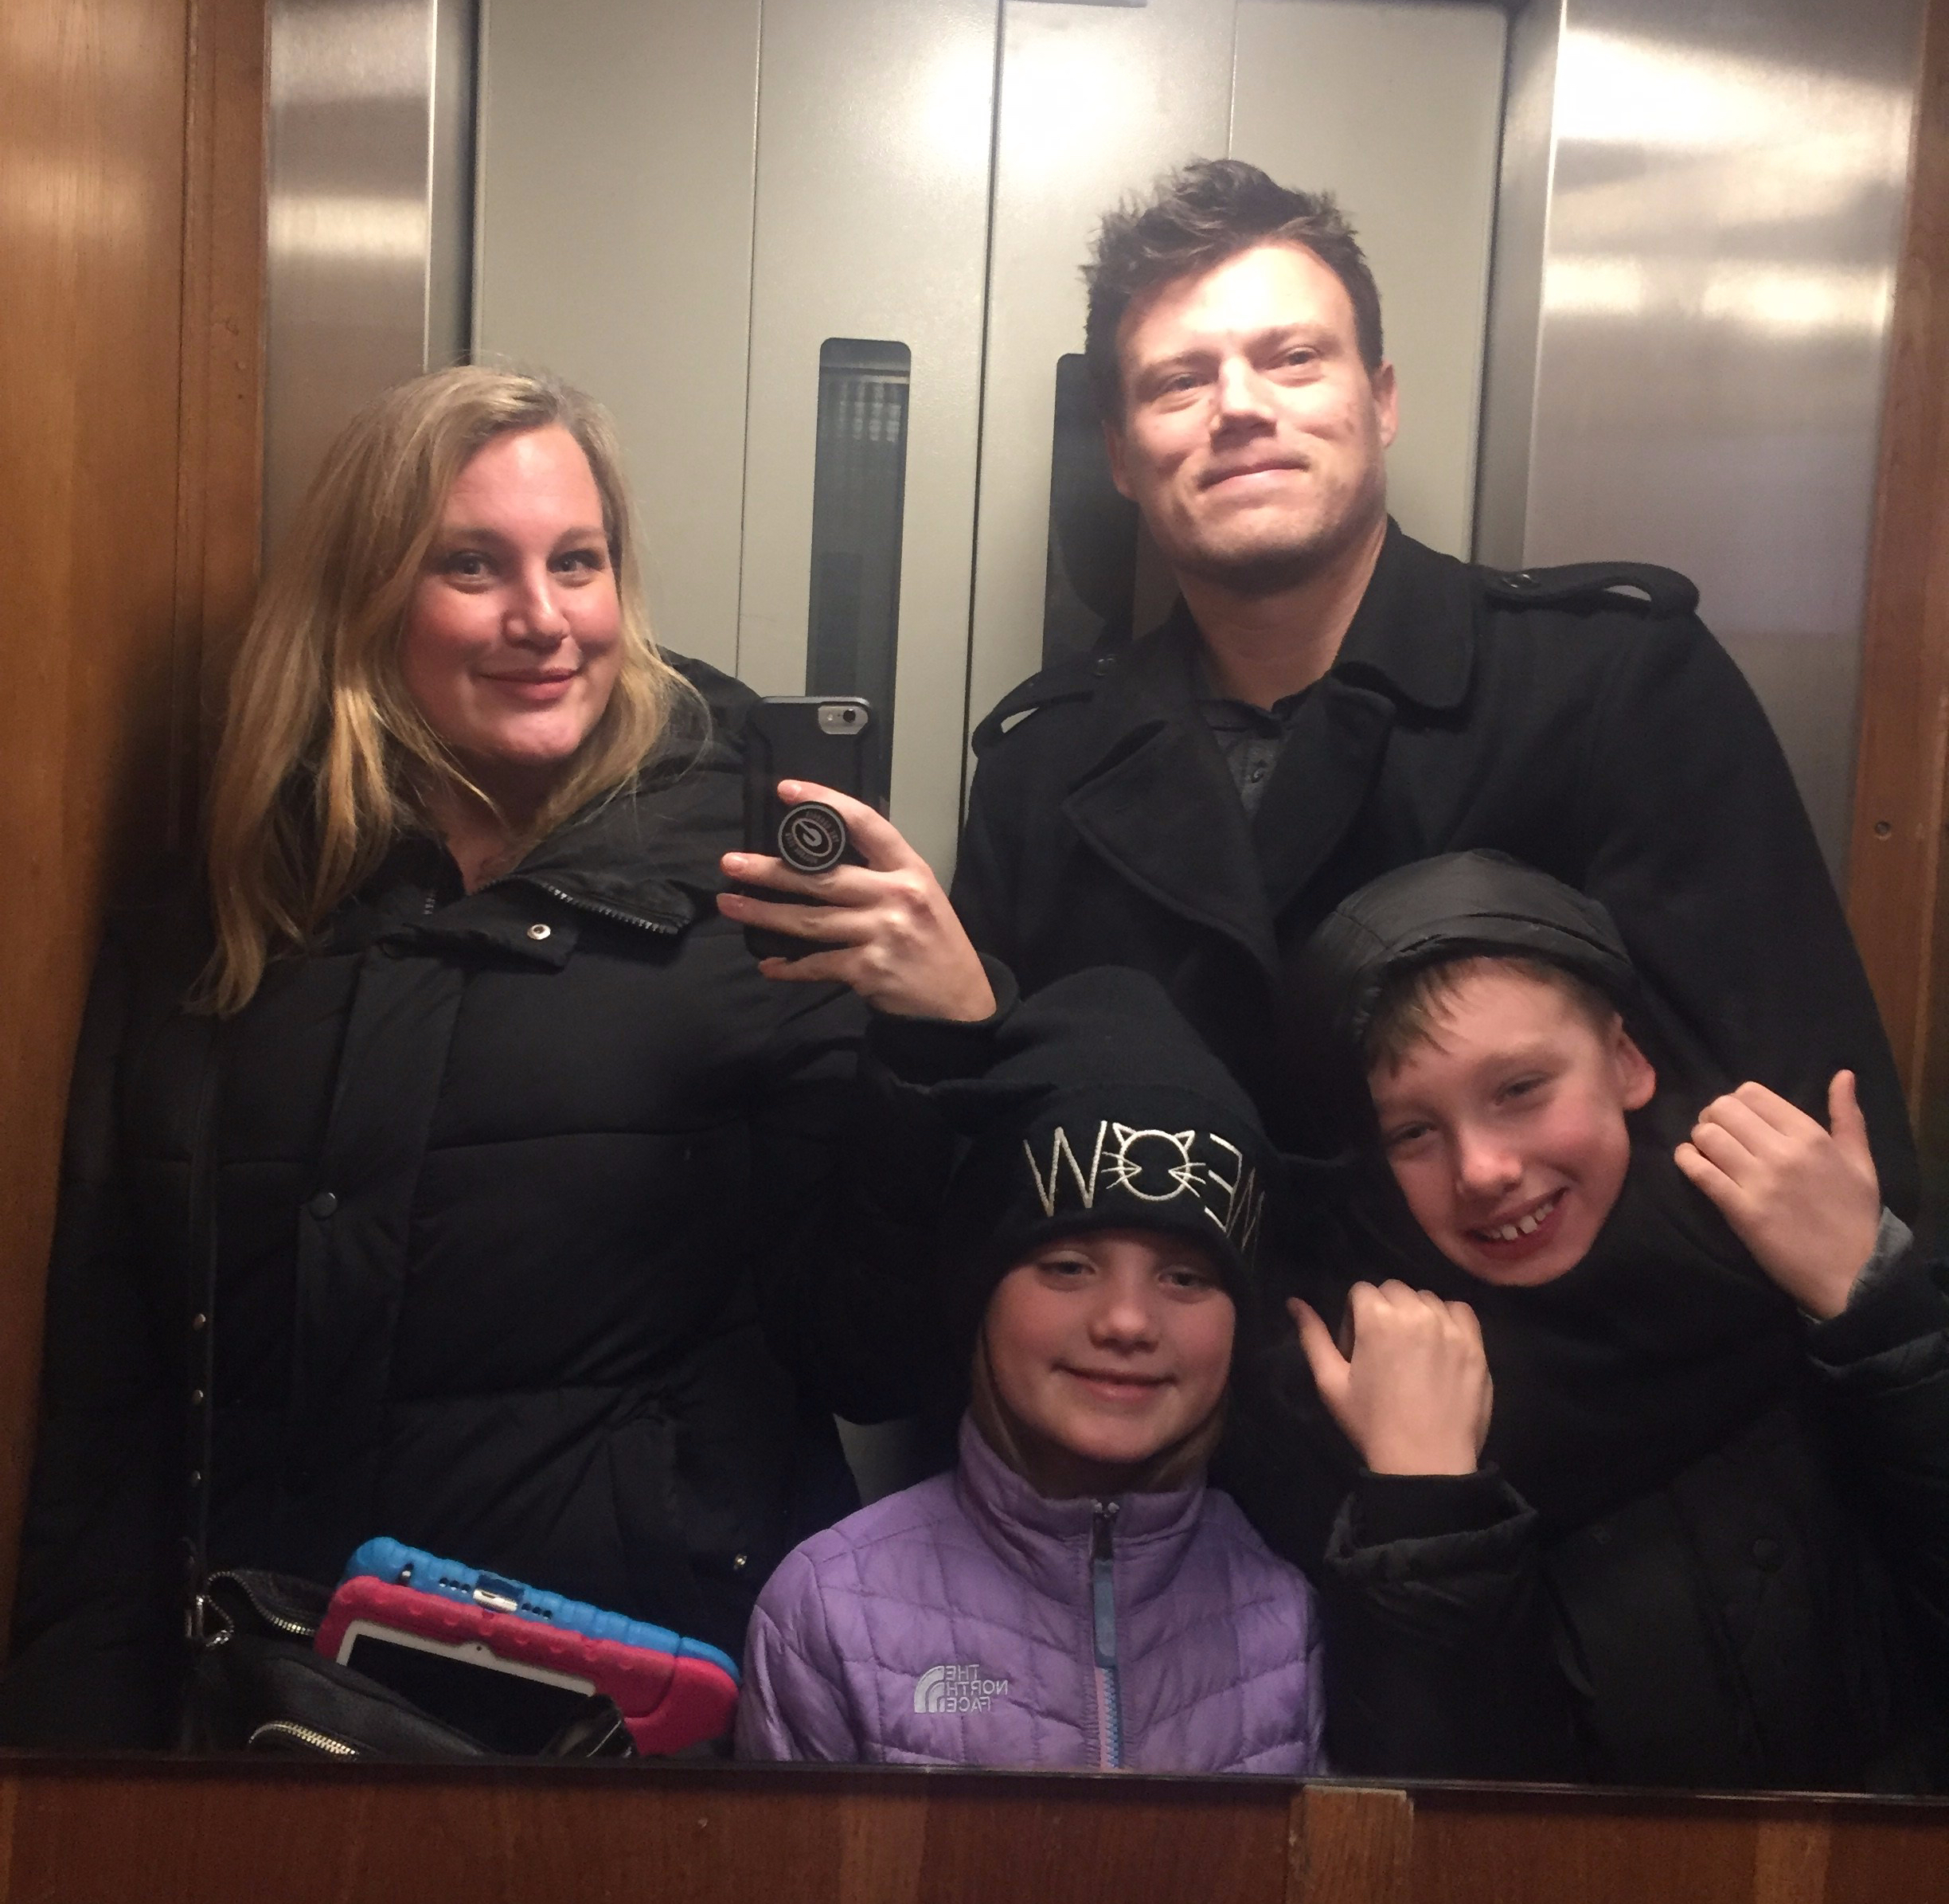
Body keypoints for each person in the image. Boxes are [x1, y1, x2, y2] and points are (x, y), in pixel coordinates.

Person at [0, 366, 990, 1748]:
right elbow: (116, 1406)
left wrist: (937, 1049)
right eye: (473, 565)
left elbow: (868, 1356)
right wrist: (64, 1755)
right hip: (263, 1717)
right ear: (362, 599)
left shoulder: (751, 910)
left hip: (630, 1722)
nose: (545, 618)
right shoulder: (223, 917)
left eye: (578, 562)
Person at [951, 158, 1916, 1218]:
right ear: (1121, 456)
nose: (1239, 407)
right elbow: (998, 1172)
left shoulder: (1617, 687)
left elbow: (1795, 1155)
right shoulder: (1040, 772)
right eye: (1179, 381)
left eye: (1293, 358)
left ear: (1381, 401)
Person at [1257, 850, 1949, 1788]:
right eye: (1413, 1132)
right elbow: (1441, 1825)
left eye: (1520, 1089)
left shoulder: (1783, 1267)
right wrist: (1425, 1508)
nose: (1484, 1170)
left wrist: (1879, 1316)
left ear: (1626, 1062)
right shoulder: (1366, 1388)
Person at [732, 968, 1323, 1773]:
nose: (1126, 1321)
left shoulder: (1287, 1613)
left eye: (1185, 1277)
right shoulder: (831, 1611)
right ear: (979, 1295)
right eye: (1068, 1266)